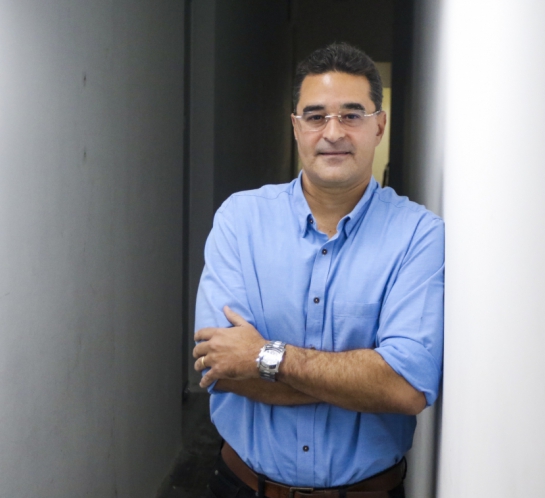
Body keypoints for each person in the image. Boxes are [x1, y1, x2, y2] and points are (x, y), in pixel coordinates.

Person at [193, 42, 444, 498]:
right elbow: (222, 367)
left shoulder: (418, 234)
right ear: (296, 127)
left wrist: (263, 357)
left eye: (352, 115)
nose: (333, 132)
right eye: (315, 116)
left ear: (379, 126)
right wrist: (361, 379)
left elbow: (406, 388)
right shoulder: (240, 220)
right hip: (242, 487)